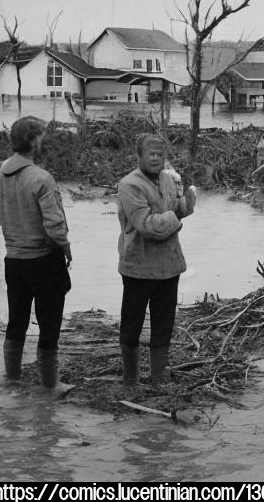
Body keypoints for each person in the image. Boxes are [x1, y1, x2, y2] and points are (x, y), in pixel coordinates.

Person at [0, 116, 73, 395]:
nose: (45, 141)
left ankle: (12, 381)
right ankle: (50, 386)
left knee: (17, 321)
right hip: (43, 259)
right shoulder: (40, 178)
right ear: (33, 141)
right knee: (49, 322)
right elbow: (54, 224)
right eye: (42, 136)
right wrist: (66, 247)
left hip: (13, 259)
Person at [117, 133, 196, 385]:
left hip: (168, 266)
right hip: (138, 266)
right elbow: (148, 226)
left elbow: (175, 211)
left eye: (160, 154)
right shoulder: (129, 185)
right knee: (132, 323)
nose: (155, 158)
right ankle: (130, 378)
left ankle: (158, 377)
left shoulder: (167, 179)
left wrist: (188, 203)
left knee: (164, 323)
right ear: (138, 156)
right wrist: (175, 217)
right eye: (150, 154)